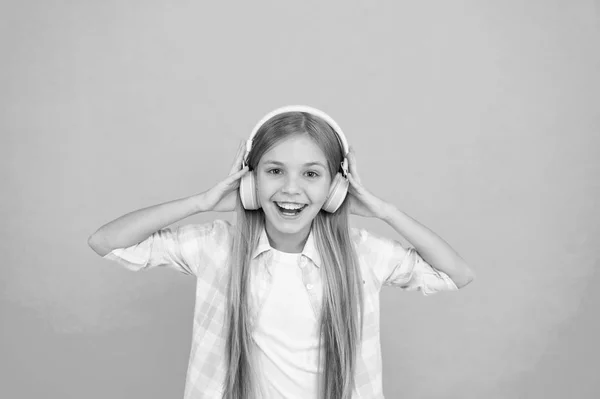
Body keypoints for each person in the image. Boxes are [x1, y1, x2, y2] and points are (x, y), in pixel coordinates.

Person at [88, 105, 475, 399]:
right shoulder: (217, 247)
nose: (291, 189)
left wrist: (384, 211)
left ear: (335, 188)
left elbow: (455, 274)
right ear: (250, 182)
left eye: (311, 174)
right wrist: (200, 202)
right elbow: (107, 242)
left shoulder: (361, 254)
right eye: (274, 171)